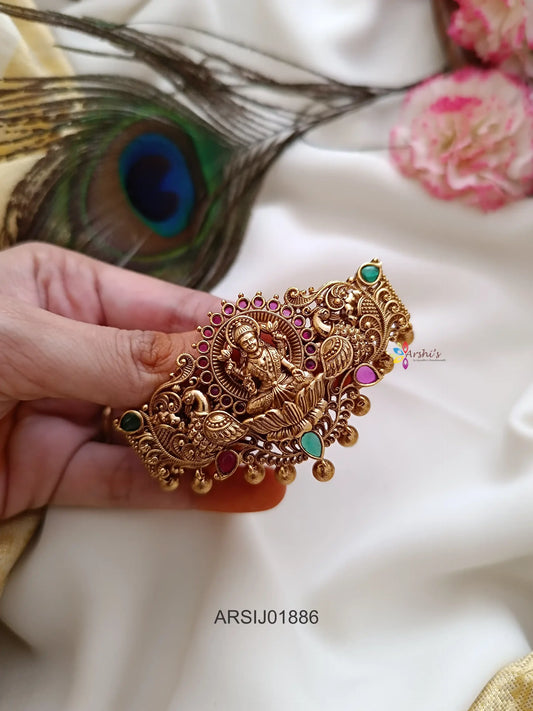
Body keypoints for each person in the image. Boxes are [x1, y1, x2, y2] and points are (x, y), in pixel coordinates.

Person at [0, 242, 285, 520]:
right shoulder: (242, 364)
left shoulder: (272, 352)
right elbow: (247, 385)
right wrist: (229, 368)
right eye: (245, 342)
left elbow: (284, 368)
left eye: (251, 339)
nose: (250, 344)